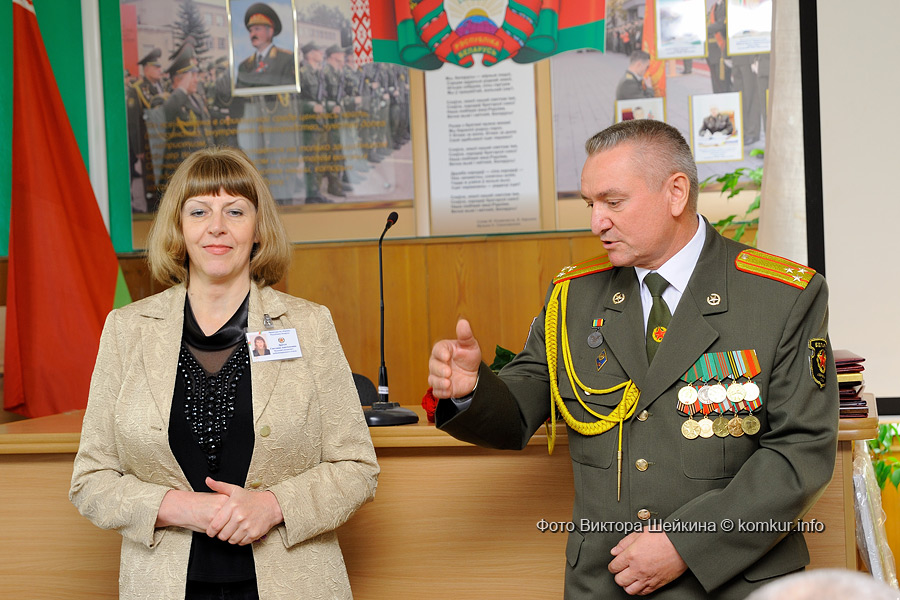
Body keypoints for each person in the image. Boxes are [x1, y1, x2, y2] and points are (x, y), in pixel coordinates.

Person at [428, 120, 838, 598]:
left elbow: (799, 451)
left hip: (733, 584)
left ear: (676, 193)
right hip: (607, 583)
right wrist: (471, 390)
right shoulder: (574, 296)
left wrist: (686, 542)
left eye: (613, 202)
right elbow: (520, 408)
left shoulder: (780, 296)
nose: (596, 221)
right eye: (590, 204)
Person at [70, 147, 379, 599]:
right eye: (199, 211)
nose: (217, 226)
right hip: (163, 586)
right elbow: (90, 479)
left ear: (257, 229)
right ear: (179, 228)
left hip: (294, 583)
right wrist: (178, 507)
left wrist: (274, 506)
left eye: (235, 211)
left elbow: (357, 467)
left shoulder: (308, 325)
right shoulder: (127, 330)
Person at [235, 2, 296, 89]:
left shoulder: (286, 59)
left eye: (257, 29)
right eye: (250, 31)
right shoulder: (244, 66)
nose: (253, 34)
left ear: (270, 31)